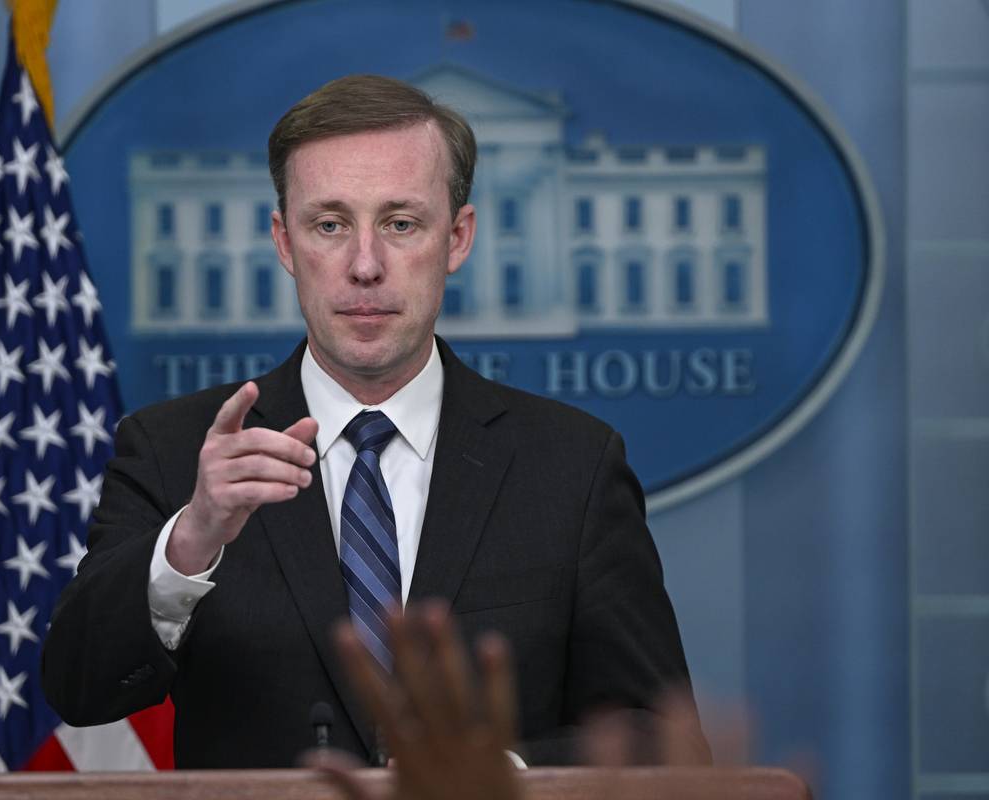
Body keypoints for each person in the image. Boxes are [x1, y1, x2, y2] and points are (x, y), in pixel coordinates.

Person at [41, 74, 705, 768]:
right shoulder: (176, 452)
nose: (365, 266)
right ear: (285, 243)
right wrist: (192, 539)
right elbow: (78, 688)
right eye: (330, 225)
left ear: (457, 238)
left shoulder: (573, 465)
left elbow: (663, 739)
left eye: (400, 224)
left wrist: (500, 780)